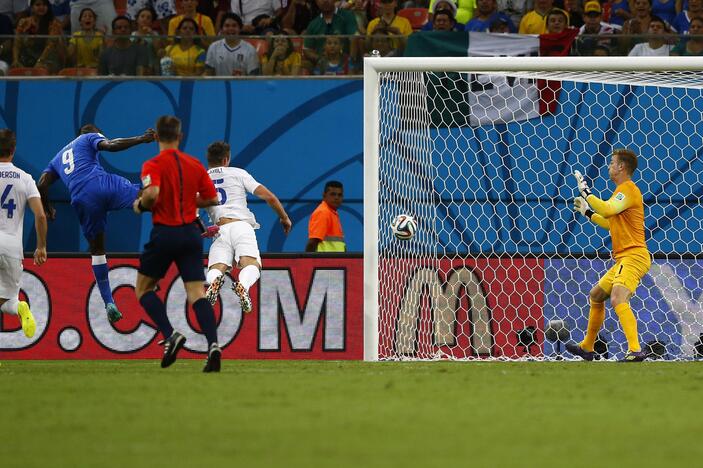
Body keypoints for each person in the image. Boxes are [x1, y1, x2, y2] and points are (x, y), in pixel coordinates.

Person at [37, 124, 155, 323]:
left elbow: (42, 183)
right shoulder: (88, 137)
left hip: (82, 199)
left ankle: (109, 302)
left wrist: (47, 207)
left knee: (98, 250)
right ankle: (186, 208)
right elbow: (110, 145)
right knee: (144, 196)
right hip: (101, 185)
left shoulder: (58, 158)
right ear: (94, 132)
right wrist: (142, 138)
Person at [132, 115, 221, 372]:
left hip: (165, 233)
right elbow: (212, 198)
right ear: (180, 137)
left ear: (157, 137)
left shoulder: (153, 163)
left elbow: (152, 194)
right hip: (191, 234)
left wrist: (141, 205)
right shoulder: (194, 164)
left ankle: (171, 334)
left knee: (144, 289)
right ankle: (213, 345)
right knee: (196, 294)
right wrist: (187, 201)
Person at [568, 149, 651, 362]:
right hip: (625, 258)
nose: (609, 166)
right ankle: (587, 347)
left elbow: (607, 209)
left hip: (634, 256)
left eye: (611, 162)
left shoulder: (628, 190)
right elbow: (610, 223)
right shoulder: (620, 193)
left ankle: (635, 350)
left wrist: (586, 192)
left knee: (617, 298)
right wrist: (587, 213)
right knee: (596, 295)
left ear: (621, 167)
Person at [202, 141, 291, 311]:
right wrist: (284, 218)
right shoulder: (239, 174)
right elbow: (269, 197)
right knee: (251, 264)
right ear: (226, 159)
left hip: (219, 230)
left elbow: (190, 209)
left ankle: (213, 283)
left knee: (216, 267)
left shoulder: (202, 179)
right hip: (241, 226)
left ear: (208, 159)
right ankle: (243, 285)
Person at [0, 128, 47, 340]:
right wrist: (41, 246)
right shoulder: (25, 178)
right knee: (7, 300)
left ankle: (18, 307)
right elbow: (40, 216)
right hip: (11, 248)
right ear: (13, 149)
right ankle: (20, 307)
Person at [13, 0, 65, 74]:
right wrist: (15, 60)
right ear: (32, 7)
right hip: (28, 57)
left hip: (48, 58)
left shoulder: (54, 23)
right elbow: (17, 43)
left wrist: (40, 62)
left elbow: (50, 46)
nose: (41, 7)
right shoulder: (24, 22)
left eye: (44, 5)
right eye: (38, 5)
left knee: (41, 70)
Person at [305, 180, 345, 252]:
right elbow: (312, 243)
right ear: (324, 196)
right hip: (324, 262)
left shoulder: (331, 213)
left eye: (340, 195)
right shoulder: (323, 212)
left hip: (333, 262)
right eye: (333, 194)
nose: (336, 197)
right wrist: (306, 262)